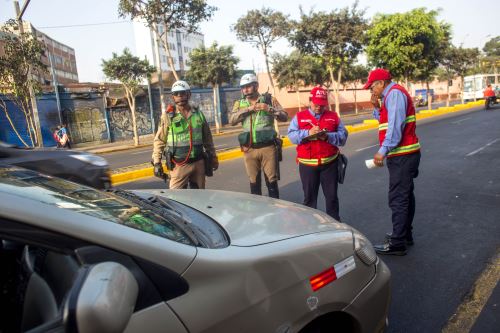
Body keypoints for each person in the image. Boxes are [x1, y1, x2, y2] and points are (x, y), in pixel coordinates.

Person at [363, 68, 421, 256]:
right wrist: (377, 107)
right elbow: (386, 120)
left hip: (402, 154)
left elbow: (395, 126)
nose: (372, 91)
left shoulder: (394, 94)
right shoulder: (390, 96)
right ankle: (404, 235)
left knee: (398, 198)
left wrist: (383, 150)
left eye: (372, 87)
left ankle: (397, 243)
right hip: (404, 154)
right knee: (405, 196)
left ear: (381, 83)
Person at [287, 86, 348, 221]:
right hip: (308, 166)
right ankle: (310, 226)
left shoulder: (333, 117)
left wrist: (328, 137)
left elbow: (343, 136)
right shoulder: (299, 117)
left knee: (332, 198)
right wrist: (308, 133)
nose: (319, 107)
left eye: (322, 104)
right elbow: (291, 136)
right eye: (316, 104)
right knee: (309, 199)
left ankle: (335, 224)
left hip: (329, 165)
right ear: (310, 101)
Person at [229, 73, 288, 198]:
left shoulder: (269, 99)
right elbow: (232, 120)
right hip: (249, 149)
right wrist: (249, 109)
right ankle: (258, 211)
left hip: (268, 148)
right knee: (254, 182)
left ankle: (274, 208)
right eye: (243, 87)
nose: (245, 89)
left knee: (271, 181)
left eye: (248, 86)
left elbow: (284, 116)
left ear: (256, 86)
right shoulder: (239, 104)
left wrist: (269, 109)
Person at [152, 80, 218, 189]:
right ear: (173, 97)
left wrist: (214, 156)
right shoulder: (168, 117)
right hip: (179, 166)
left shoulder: (198, 114)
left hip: (198, 163)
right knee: (176, 199)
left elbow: (208, 139)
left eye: (182, 93)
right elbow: (159, 140)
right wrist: (157, 163)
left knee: (199, 197)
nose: (180, 97)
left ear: (189, 94)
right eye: (176, 94)